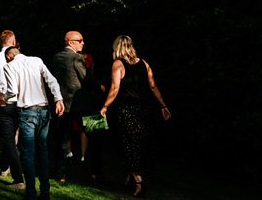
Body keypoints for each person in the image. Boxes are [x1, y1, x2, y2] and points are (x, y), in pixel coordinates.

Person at [100, 35, 171, 198]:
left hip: (125, 110)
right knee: (138, 143)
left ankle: (138, 181)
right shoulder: (144, 63)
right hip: (143, 109)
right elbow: (153, 86)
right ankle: (131, 176)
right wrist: (163, 105)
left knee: (126, 144)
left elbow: (115, 88)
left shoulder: (118, 64)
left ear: (117, 47)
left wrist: (105, 106)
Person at [5, 45, 64, 200]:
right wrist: (58, 98)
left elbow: (11, 92)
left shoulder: (9, 66)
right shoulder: (37, 61)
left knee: (28, 154)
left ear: (9, 57)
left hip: (27, 112)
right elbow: (52, 81)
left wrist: (2, 99)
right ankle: (45, 192)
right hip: (44, 111)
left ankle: (31, 192)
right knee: (42, 152)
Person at [48, 31, 88, 182]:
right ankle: (91, 171)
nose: (83, 43)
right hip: (76, 103)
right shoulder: (77, 57)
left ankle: (59, 173)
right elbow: (85, 79)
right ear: (70, 42)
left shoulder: (57, 57)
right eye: (80, 40)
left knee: (61, 138)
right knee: (89, 132)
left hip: (60, 103)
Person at [0, 30, 24, 187]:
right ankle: (4, 167)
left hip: (1, 101)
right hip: (18, 101)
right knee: (10, 137)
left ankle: (17, 177)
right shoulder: (22, 59)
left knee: (8, 138)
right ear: (14, 42)